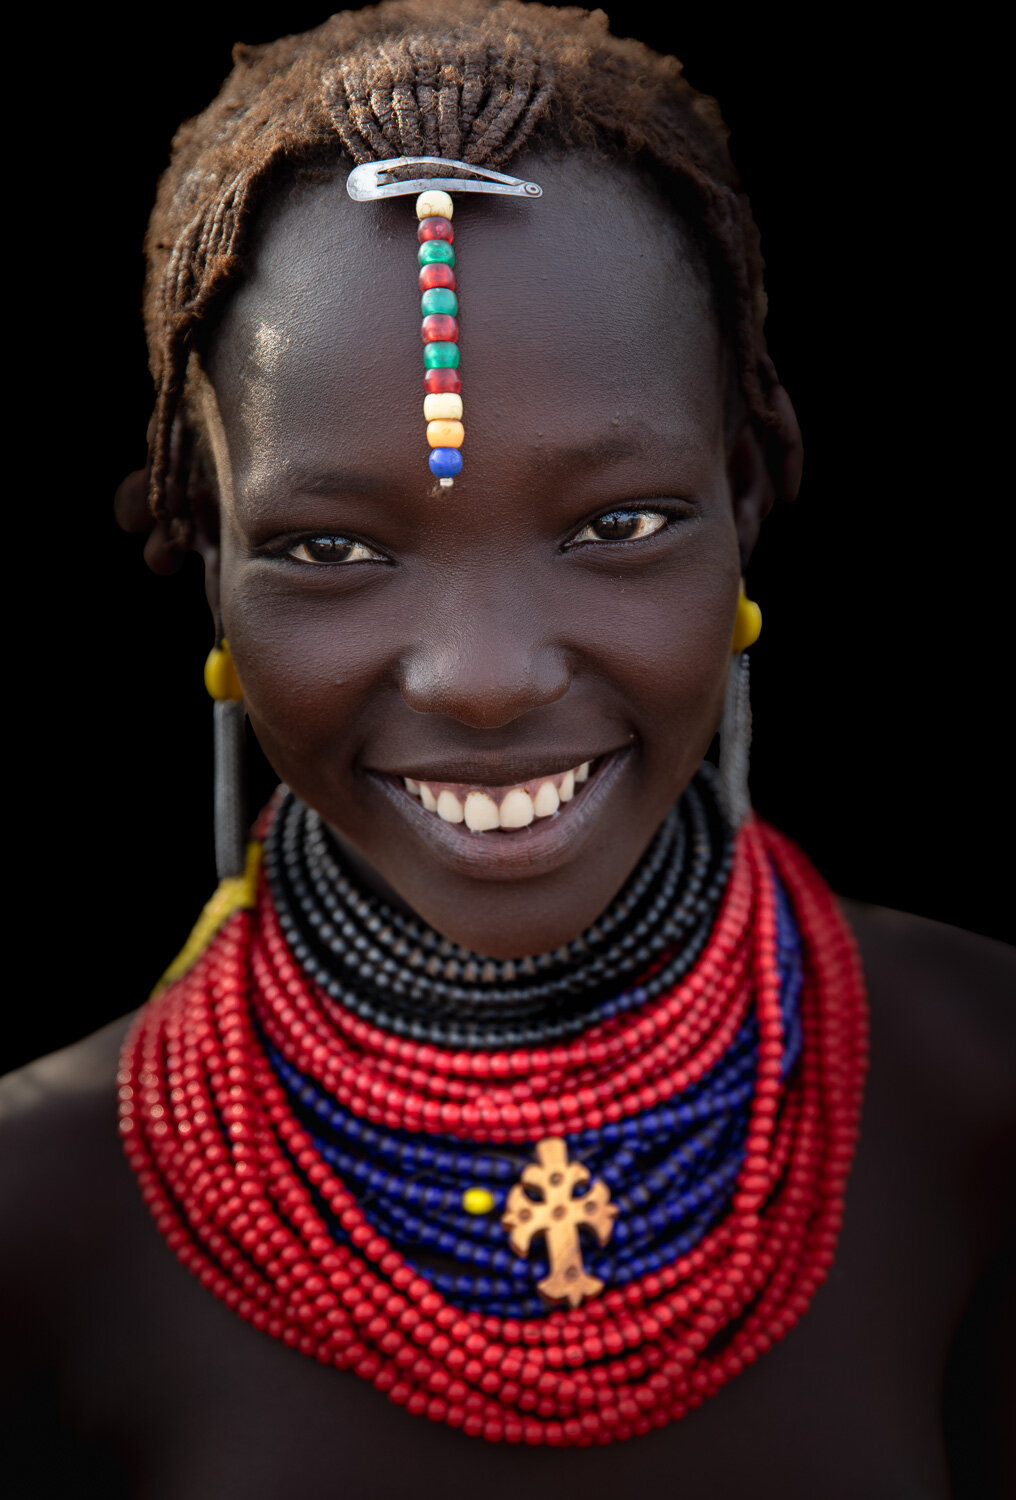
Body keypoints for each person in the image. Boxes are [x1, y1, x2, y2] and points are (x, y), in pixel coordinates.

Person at [2, 3, 1012, 1495]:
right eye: (331, 546)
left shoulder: (979, 1084)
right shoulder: (42, 1214)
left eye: (617, 527)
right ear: (205, 555)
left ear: (745, 495)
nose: (481, 680)